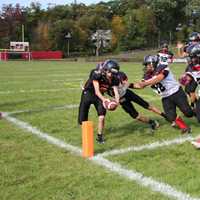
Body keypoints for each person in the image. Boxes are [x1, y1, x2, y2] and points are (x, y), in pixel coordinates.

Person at [133, 55, 194, 134]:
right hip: (165, 97)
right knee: (170, 116)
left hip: (176, 92)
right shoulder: (147, 75)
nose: (146, 67)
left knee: (188, 113)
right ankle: (185, 128)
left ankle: (197, 111)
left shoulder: (162, 67)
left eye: (147, 64)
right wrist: (128, 86)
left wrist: (145, 83)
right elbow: (140, 86)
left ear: (153, 63)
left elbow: (159, 78)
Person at [78, 59, 120, 144]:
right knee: (82, 120)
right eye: (110, 73)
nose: (111, 75)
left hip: (99, 96)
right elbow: (96, 91)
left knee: (102, 116)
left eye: (113, 73)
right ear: (105, 70)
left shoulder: (114, 78)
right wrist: (105, 100)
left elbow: (116, 92)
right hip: (88, 94)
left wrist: (117, 102)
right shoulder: (96, 74)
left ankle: (99, 137)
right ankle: (85, 135)